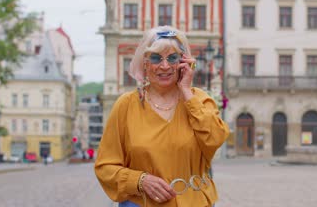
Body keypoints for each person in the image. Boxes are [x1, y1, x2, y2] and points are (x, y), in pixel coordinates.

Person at [94, 26, 230, 207]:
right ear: (145, 63)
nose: (164, 66)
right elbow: (105, 167)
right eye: (156, 58)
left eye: (172, 58)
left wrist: (187, 93)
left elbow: (215, 139)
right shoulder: (126, 105)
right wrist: (139, 180)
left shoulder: (199, 100)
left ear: (184, 62)